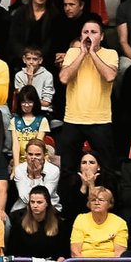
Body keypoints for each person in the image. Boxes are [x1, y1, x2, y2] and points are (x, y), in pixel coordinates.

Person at [54, 15, 116, 180]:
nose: (89, 35)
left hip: (100, 120)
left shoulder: (110, 54)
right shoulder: (73, 52)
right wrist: (82, 53)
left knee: (107, 169)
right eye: (85, 32)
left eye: (94, 32)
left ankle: (106, 204)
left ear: (101, 36)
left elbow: (110, 76)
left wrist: (93, 53)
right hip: (73, 120)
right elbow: (64, 78)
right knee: (68, 169)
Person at [67, 185, 127, 262]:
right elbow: (75, 252)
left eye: (101, 199)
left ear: (109, 204)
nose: (96, 202)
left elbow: (119, 254)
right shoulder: (80, 219)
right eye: (93, 199)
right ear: (89, 203)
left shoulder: (119, 223)